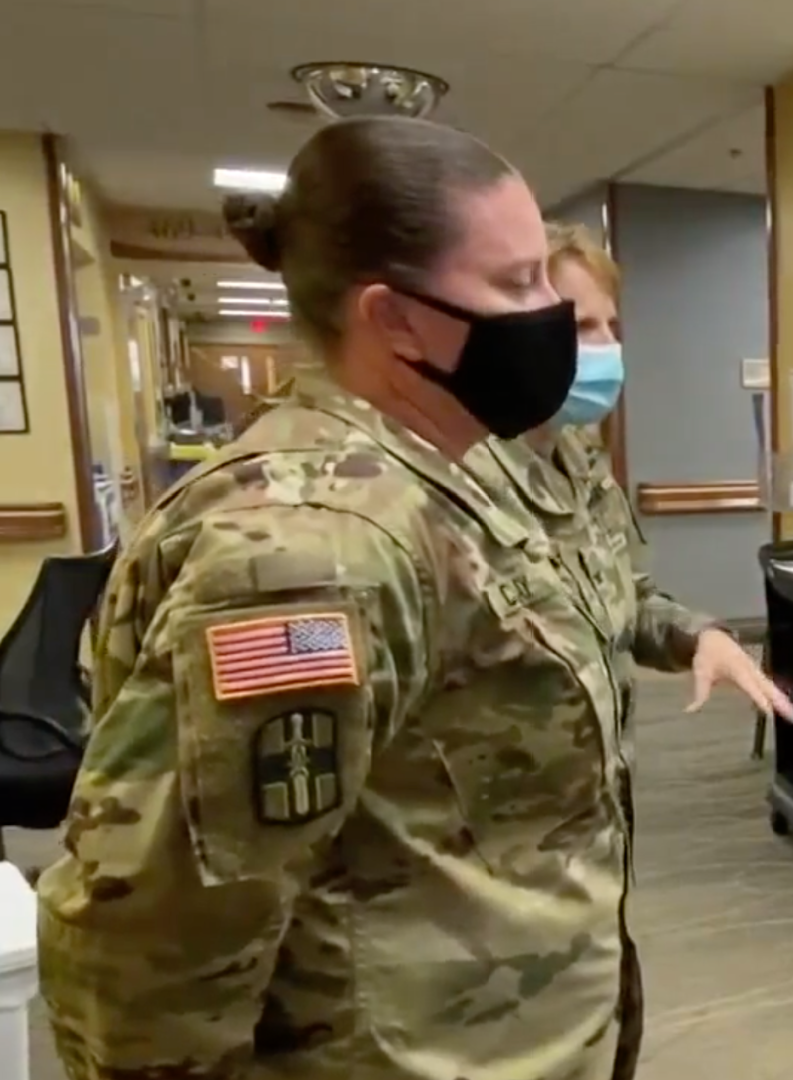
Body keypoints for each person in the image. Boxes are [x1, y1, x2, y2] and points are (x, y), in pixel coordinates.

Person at [35, 116, 641, 1080]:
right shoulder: (318, 549)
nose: (555, 319)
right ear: (393, 318)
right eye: (517, 284)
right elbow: (157, 943)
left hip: (506, 1030)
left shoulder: (446, 477)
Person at [466, 222, 792, 716]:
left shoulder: (579, 460)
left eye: (610, 328)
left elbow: (625, 599)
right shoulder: (453, 476)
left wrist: (699, 636)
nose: (605, 347)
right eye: (578, 327)